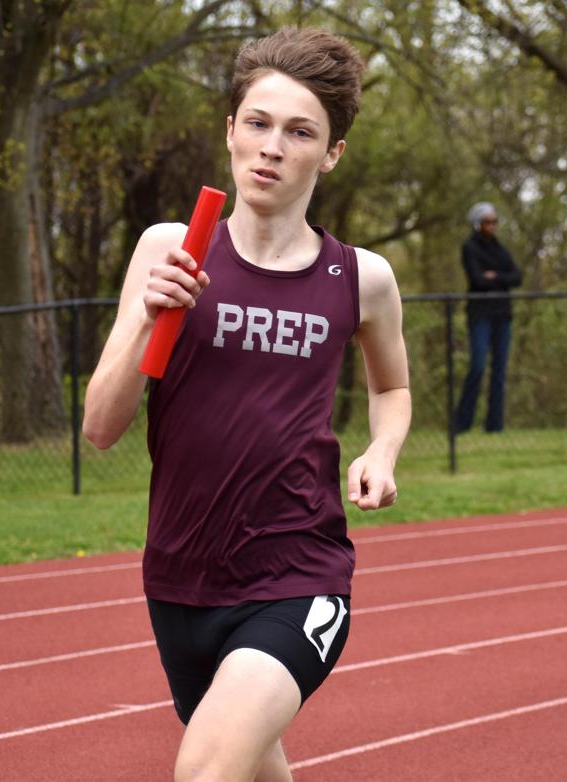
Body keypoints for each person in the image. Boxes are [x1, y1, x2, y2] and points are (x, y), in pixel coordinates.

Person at [83, 28, 411, 782]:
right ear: (229, 130)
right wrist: (143, 313)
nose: (272, 147)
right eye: (257, 123)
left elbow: (392, 386)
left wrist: (382, 450)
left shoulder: (361, 278)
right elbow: (101, 427)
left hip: (298, 570)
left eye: (300, 132)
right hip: (179, 575)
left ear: (331, 154)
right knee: (257, 769)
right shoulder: (172, 249)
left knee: (204, 770)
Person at [453, 202, 522, 433]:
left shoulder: (501, 249)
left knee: (500, 370)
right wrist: (499, 278)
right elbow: (478, 279)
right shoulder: (469, 248)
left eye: (494, 222)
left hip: (503, 314)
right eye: (487, 222)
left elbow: (517, 277)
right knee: (478, 365)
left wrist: (495, 276)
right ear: (477, 224)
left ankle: (495, 426)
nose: (492, 226)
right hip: (480, 314)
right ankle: (461, 424)